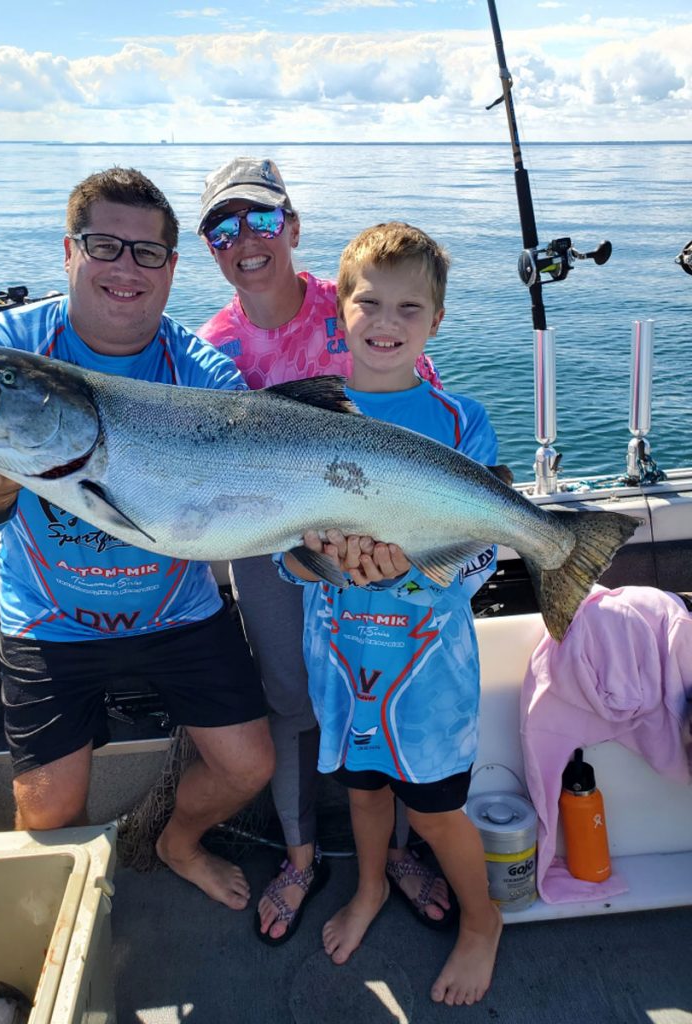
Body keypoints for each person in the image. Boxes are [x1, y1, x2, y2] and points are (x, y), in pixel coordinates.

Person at [0, 167, 276, 912]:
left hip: (178, 610)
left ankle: (178, 842)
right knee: (48, 812)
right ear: (68, 251)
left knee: (249, 768)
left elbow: (254, 503)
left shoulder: (205, 376)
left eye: (147, 252)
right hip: (50, 617)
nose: (126, 267)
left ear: (172, 268)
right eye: (104, 245)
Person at [196, 157, 454, 944]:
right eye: (223, 227)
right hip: (268, 545)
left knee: (385, 690)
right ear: (209, 246)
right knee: (290, 700)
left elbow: (420, 405)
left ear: (294, 228)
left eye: (263, 219)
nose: (247, 239)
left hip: (377, 542)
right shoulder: (211, 349)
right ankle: (302, 855)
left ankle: (399, 852)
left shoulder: (354, 304)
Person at [275, 222, 504, 1006]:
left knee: (436, 815)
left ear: (436, 321)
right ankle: (370, 886)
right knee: (364, 794)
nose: (387, 321)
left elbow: (484, 551)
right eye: (369, 302)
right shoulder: (304, 418)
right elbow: (280, 554)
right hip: (341, 665)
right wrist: (319, 560)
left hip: (430, 674)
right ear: (339, 310)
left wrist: (412, 564)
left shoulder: (462, 421)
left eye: (410, 308)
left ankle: (482, 921)